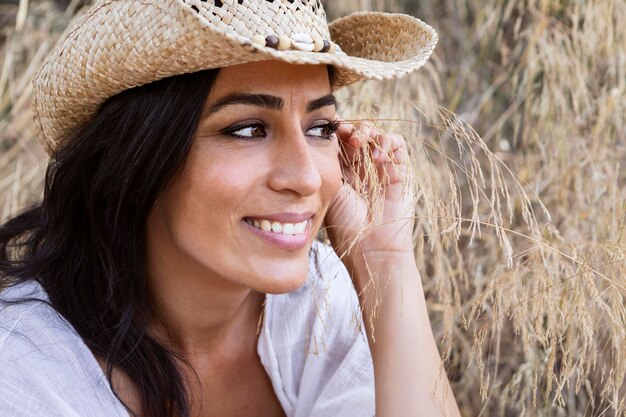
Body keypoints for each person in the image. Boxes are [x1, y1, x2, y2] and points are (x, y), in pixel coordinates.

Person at [0, 1, 461, 416]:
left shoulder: (319, 302)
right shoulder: (24, 369)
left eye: (319, 127)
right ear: (136, 158)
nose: (303, 178)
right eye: (247, 130)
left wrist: (386, 264)